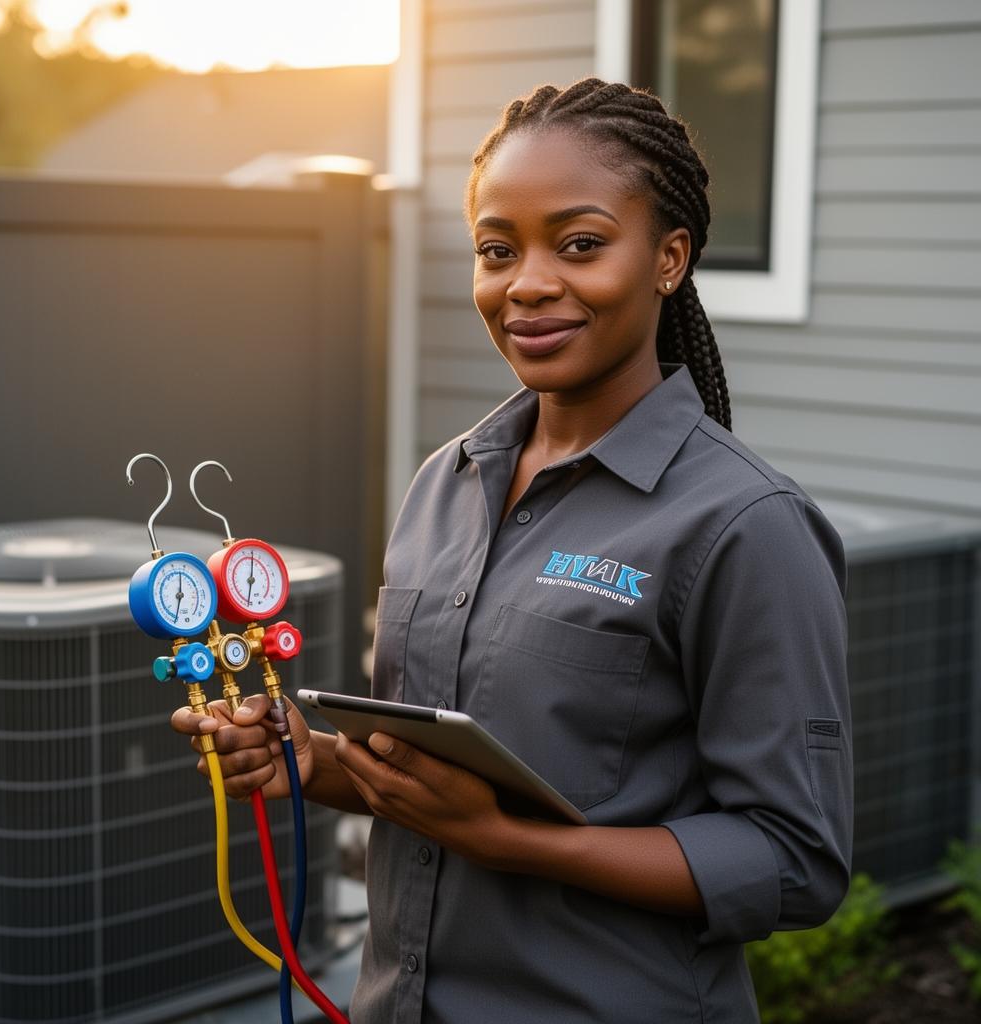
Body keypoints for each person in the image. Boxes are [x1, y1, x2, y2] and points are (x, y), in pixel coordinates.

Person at [172, 78, 853, 1023]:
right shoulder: (448, 482)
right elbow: (434, 776)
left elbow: (795, 860)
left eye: (579, 244)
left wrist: (512, 841)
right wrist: (311, 763)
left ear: (668, 258)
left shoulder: (745, 525)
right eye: (497, 251)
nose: (527, 282)